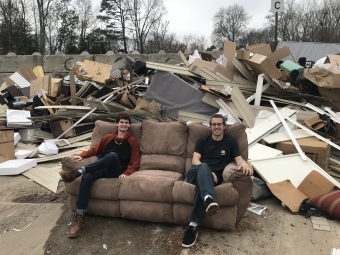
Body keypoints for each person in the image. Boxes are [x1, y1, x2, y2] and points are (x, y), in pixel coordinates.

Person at [59, 113, 140, 238]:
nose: (124, 125)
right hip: (100, 167)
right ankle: (80, 217)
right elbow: (95, 150)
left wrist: (127, 173)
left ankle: (78, 172)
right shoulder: (107, 138)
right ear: (117, 124)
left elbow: (136, 161)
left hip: (115, 170)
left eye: (126, 123)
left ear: (129, 125)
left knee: (112, 155)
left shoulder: (132, 141)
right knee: (87, 177)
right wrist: (82, 155)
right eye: (122, 122)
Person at [181, 114, 253, 248]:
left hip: (212, 180)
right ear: (210, 126)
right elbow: (195, 160)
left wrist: (243, 164)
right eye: (214, 124)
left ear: (224, 126)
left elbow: (238, 159)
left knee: (201, 188)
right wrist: (208, 172)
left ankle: (192, 226)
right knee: (203, 166)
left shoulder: (230, 142)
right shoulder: (203, 140)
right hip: (195, 173)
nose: (216, 127)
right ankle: (208, 198)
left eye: (219, 124)